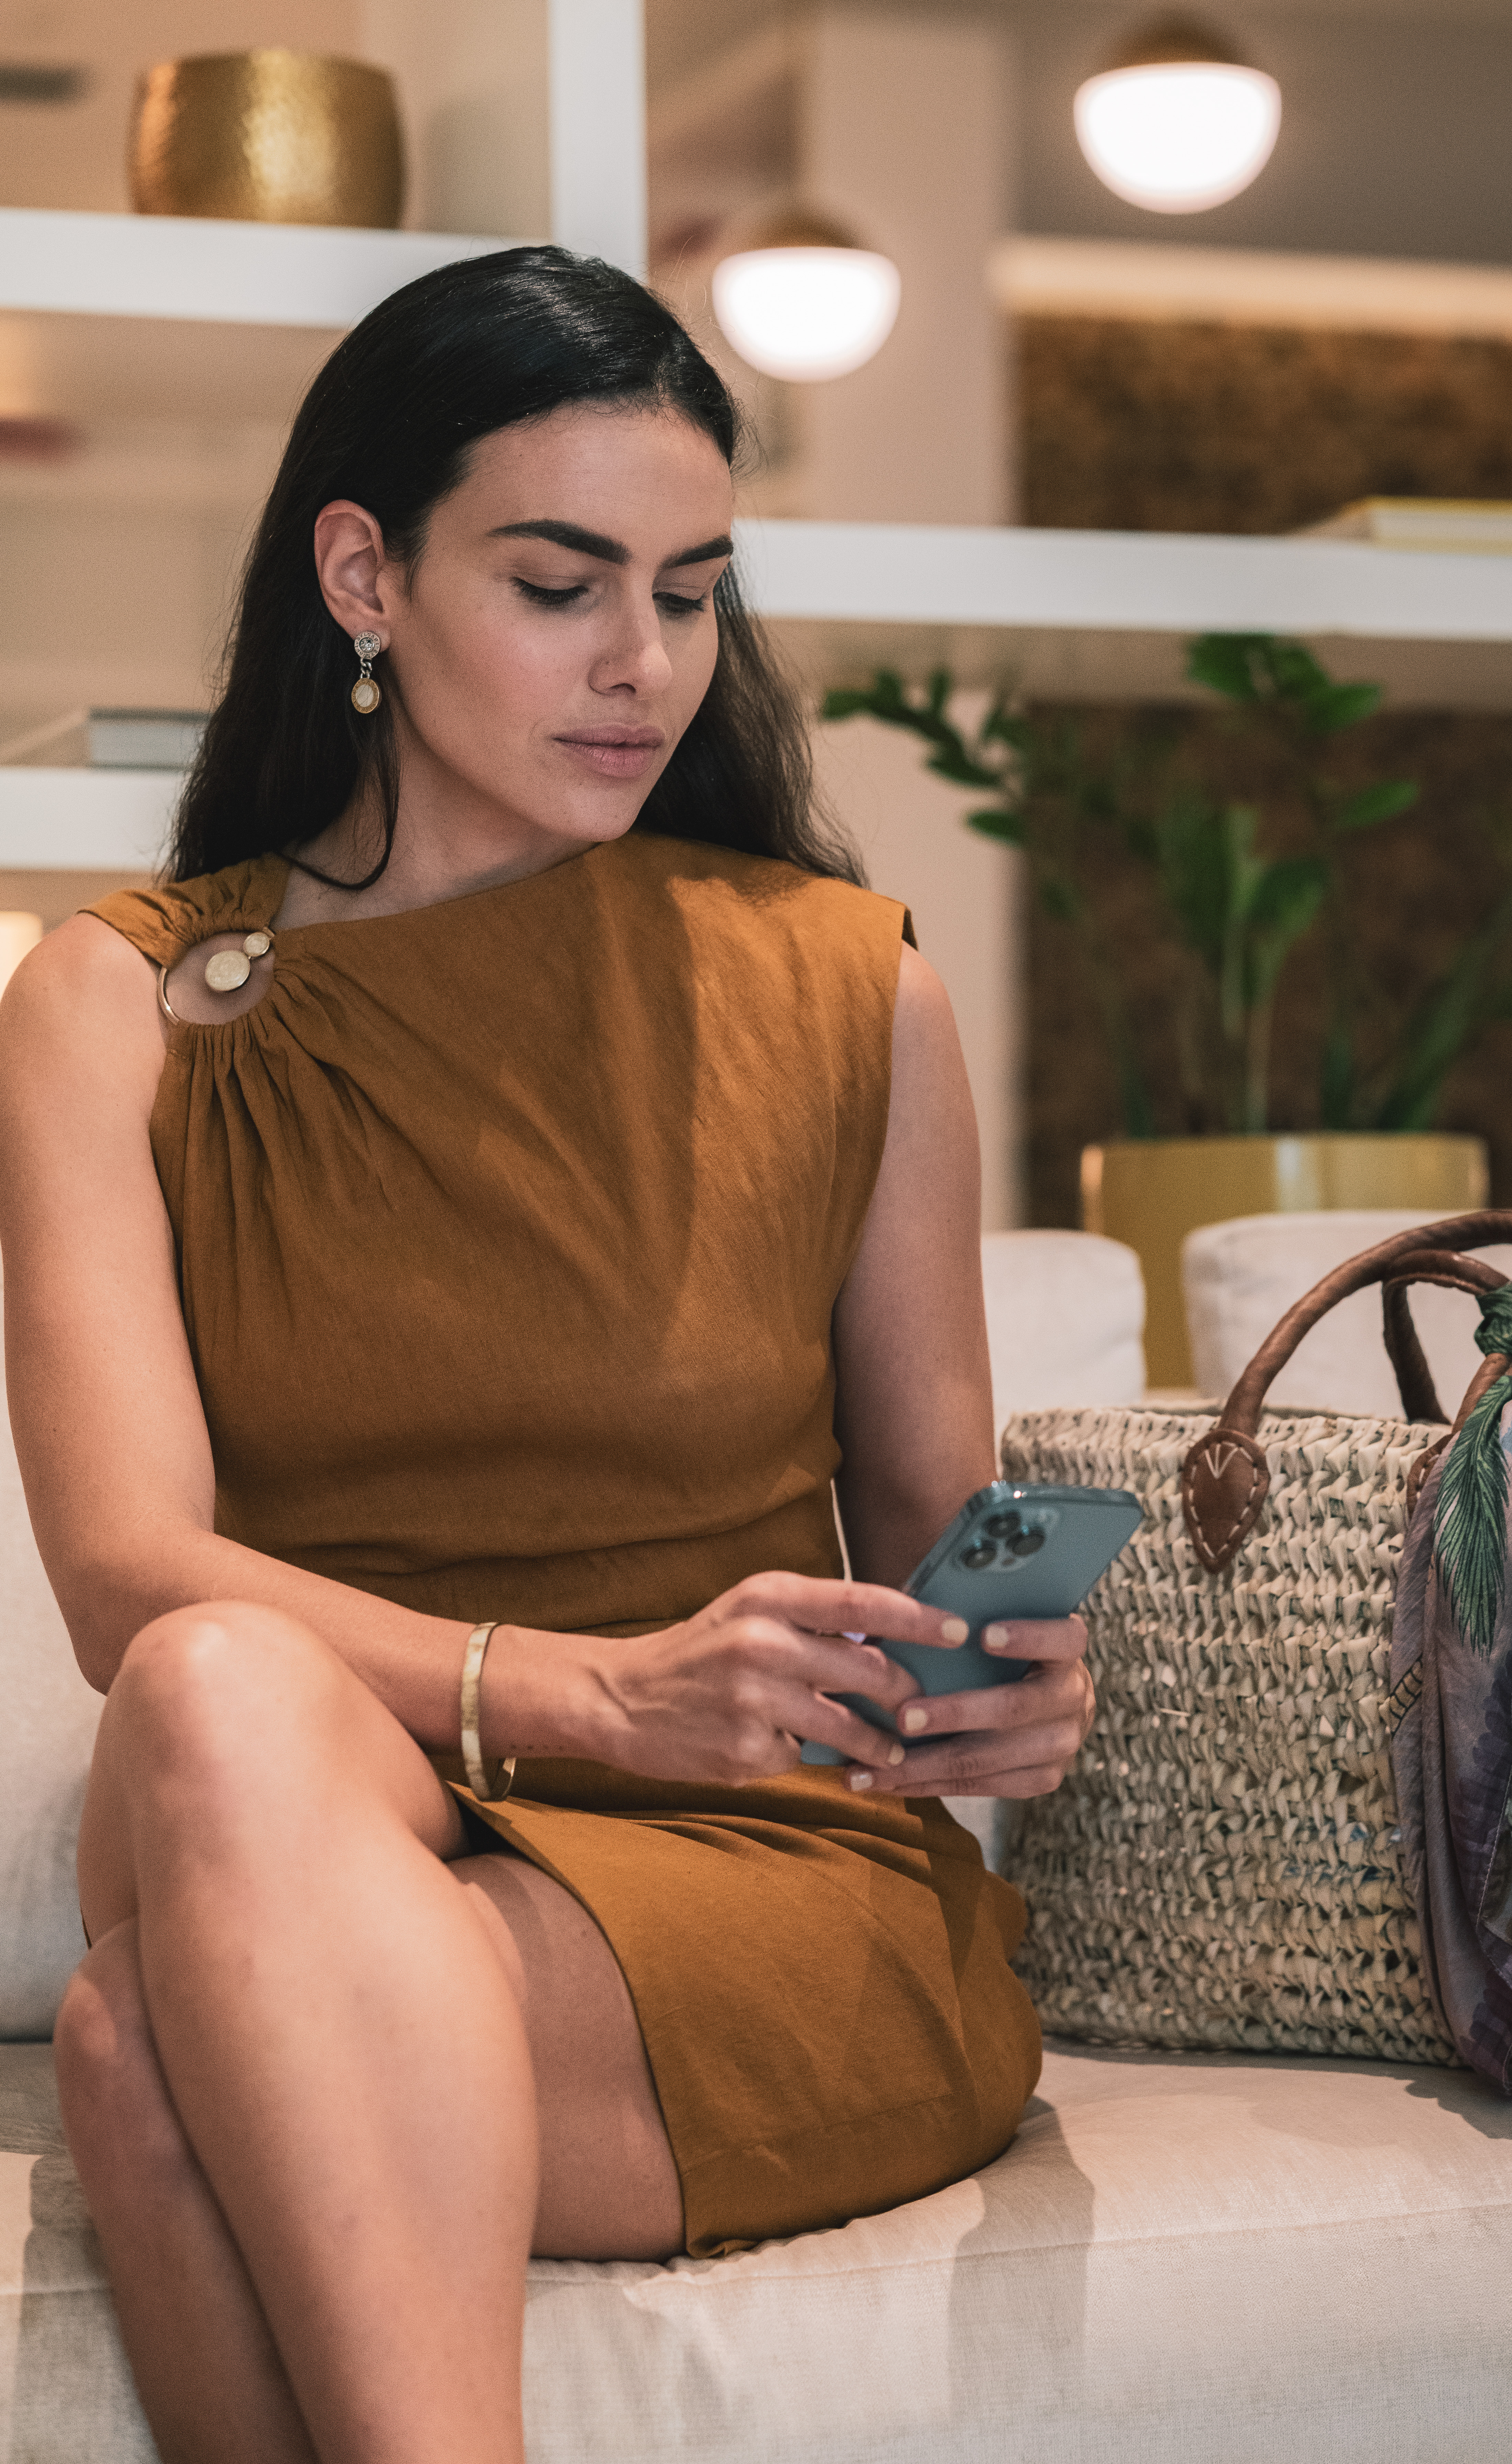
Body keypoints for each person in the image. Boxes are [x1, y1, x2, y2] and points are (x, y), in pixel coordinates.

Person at [0, 247, 1093, 2464]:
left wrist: (1012, 1683)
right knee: (217, 1686)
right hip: (301, 1797)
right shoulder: (110, 1009)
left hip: (762, 1873)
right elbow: (128, 1578)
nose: (644, 664)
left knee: (141, 2054)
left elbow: (931, 1552)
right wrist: (594, 1685)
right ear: (363, 573)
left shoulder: (845, 984)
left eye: (691, 592)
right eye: (562, 581)